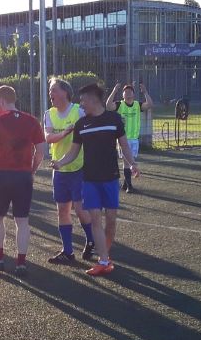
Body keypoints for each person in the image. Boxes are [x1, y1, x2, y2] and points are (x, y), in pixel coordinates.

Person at [49, 83, 138, 276]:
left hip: (110, 178)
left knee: (111, 221)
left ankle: (106, 256)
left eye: (83, 100)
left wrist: (132, 164)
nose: (81, 104)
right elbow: (73, 152)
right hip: (89, 180)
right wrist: (60, 163)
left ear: (94, 99)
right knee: (96, 220)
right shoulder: (81, 124)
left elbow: (124, 146)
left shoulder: (114, 119)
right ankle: (103, 260)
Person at [0, 85, 45, 277]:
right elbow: (41, 152)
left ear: (1, 101)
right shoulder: (32, 121)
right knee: (22, 220)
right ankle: (21, 263)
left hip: (3, 175)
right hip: (23, 176)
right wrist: (32, 170)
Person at [41, 78, 97, 265]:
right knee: (62, 211)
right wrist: (64, 133)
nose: (51, 93)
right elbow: (48, 137)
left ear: (65, 92)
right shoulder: (49, 114)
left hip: (79, 168)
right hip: (59, 169)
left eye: (54, 90)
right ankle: (68, 251)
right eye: (50, 90)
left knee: (81, 210)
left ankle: (91, 241)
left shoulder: (78, 111)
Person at [107, 81, 151, 194]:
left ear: (133, 94)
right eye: (125, 92)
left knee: (131, 161)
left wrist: (145, 92)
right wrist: (114, 91)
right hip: (123, 139)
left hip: (134, 139)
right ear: (122, 95)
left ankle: (125, 184)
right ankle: (129, 186)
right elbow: (108, 106)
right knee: (127, 163)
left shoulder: (137, 105)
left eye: (130, 91)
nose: (127, 93)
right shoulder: (120, 105)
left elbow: (149, 105)